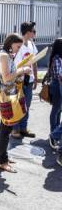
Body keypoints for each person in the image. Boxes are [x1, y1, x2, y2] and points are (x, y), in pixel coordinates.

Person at [0, 33, 32, 173]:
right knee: (5, 130)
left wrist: (19, 71)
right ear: (11, 43)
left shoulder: (5, 55)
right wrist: (22, 70)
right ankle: (2, 161)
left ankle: (1, 157)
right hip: (7, 98)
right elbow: (7, 78)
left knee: (4, 129)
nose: (18, 49)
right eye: (18, 46)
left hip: (9, 96)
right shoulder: (3, 56)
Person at [11, 21, 38, 139]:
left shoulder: (32, 44)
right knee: (17, 105)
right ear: (28, 32)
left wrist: (36, 77)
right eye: (33, 31)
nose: (35, 33)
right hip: (19, 80)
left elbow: (35, 60)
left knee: (26, 105)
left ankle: (23, 128)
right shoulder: (18, 44)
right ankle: (15, 129)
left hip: (29, 79)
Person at [48, 38, 62, 166]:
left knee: (59, 110)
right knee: (56, 110)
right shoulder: (57, 58)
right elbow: (59, 75)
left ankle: (56, 133)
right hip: (57, 86)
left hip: (59, 85)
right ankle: (53, 134)